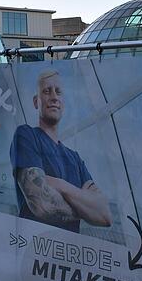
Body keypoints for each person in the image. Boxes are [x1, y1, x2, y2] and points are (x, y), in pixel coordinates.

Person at [10, 70, 112, 233]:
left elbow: (105, 215)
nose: (54, 97)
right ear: (36, 101)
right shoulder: (26, 136)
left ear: (63, 103)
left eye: (58, 92)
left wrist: (60, 185)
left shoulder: (75, 159)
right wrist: (85, 206)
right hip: (34, 250)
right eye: (46, 91)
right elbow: (42, 205)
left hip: (68, 253)